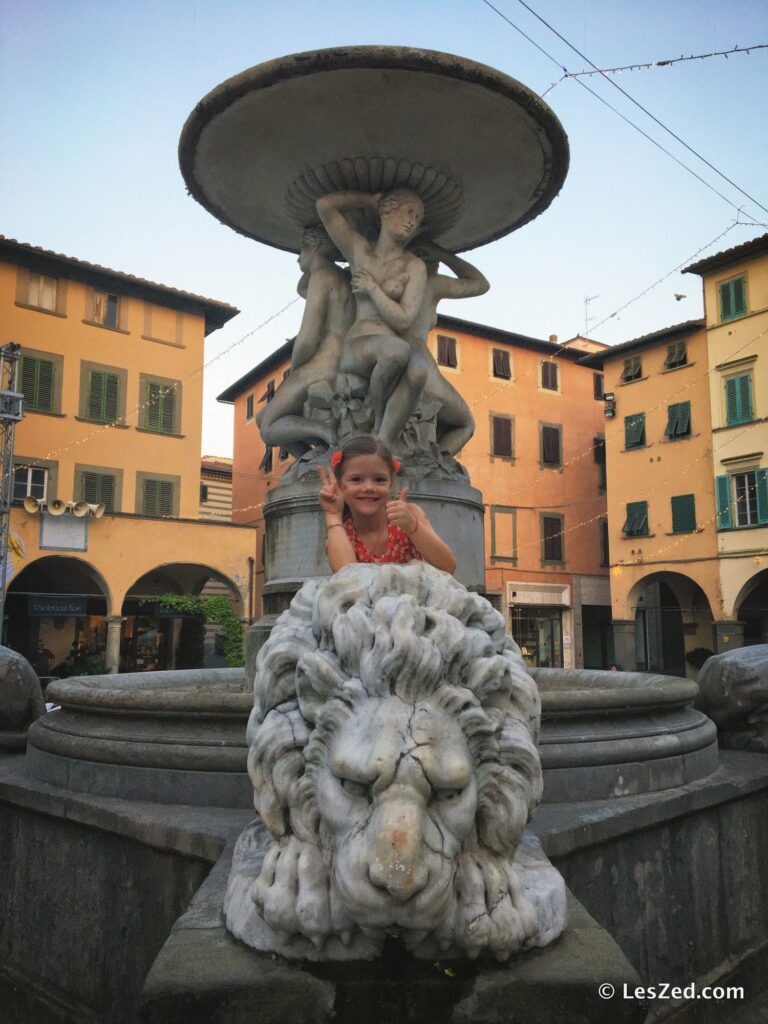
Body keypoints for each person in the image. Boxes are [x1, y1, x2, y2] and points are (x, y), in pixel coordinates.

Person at [315, 189, 428, 444]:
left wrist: (373, 289)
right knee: (396, 351)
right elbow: (324, 206)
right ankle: (373, 417)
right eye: (408, 212)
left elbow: (404, 320)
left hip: (393, 343)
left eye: (419, 218)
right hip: (360, 344)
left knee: (419, 369)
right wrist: (368, 200)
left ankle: (384, 440)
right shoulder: (360, 251)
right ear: (387, 211)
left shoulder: (414, 267)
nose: (413, 221)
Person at [257, 227, 354, 457]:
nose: (298, 257)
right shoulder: (342, 278)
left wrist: (295, 368)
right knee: (262, 417)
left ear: (316, 247)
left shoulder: (322, 276)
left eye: (302, 249)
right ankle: (314, 459)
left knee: (268, 429)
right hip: (343, 362)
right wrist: (314, 262)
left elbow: (308, 337)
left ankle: (325, 431)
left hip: (323, 365)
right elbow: (302, 288)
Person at [317, 435, 456, 574]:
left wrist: (412, 526)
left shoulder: (409, 514)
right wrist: (333, 514)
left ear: (391, 483)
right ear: (340, 484)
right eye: (356, 479)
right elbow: (347, 577)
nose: (368, 487)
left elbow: (448, 566)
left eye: (379, 479)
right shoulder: (340, 532)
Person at [406, 238, 489, 454]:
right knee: (465, 423)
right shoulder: (429, 282)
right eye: (434, 261)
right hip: (417, 357)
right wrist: (441, 251)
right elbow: (480, 284)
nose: (437, 266)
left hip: (380, 349)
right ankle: (431, 465)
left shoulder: (389, 280)